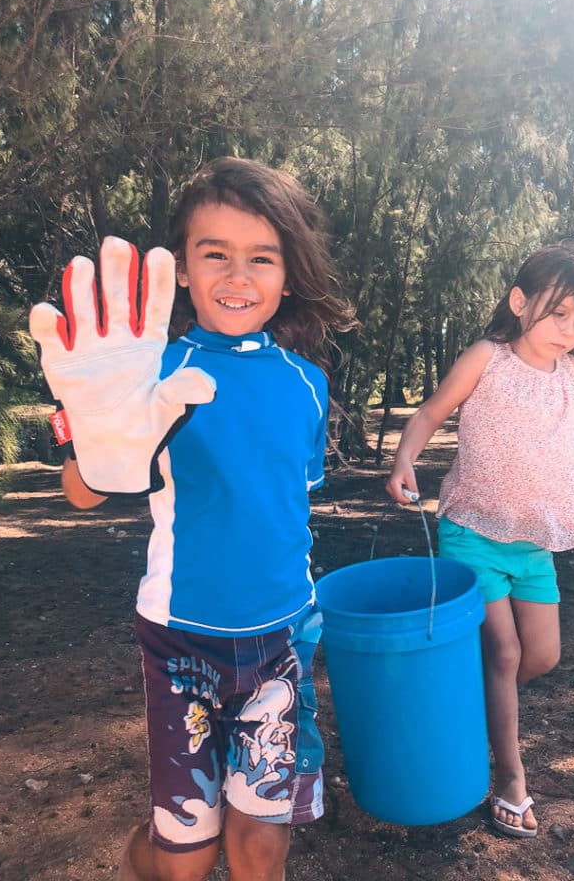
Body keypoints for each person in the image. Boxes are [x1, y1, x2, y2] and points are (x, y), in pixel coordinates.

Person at [31, 157, 356, 881]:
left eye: (261, 258)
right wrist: (97, 447)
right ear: (183, 268)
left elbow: (285, 505)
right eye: (216, 255)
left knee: (261, 845)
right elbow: (83, 492)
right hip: (180, 644)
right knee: (185, 854)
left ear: (289, 273)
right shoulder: (149, 372)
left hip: (279, 645)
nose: (238, 278)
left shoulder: (308, 384)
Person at [385, 244, 574, 840]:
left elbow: (573, 443)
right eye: (559, 314)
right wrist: (403, 459)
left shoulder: (569, 374)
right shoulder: (487, 358)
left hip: (534, 543)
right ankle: (510, 777)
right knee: (502, 652)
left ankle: (462, 703)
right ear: (520, 302)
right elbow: (429, 413)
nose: (569, 331)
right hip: (472, 529)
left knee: (542, 656)